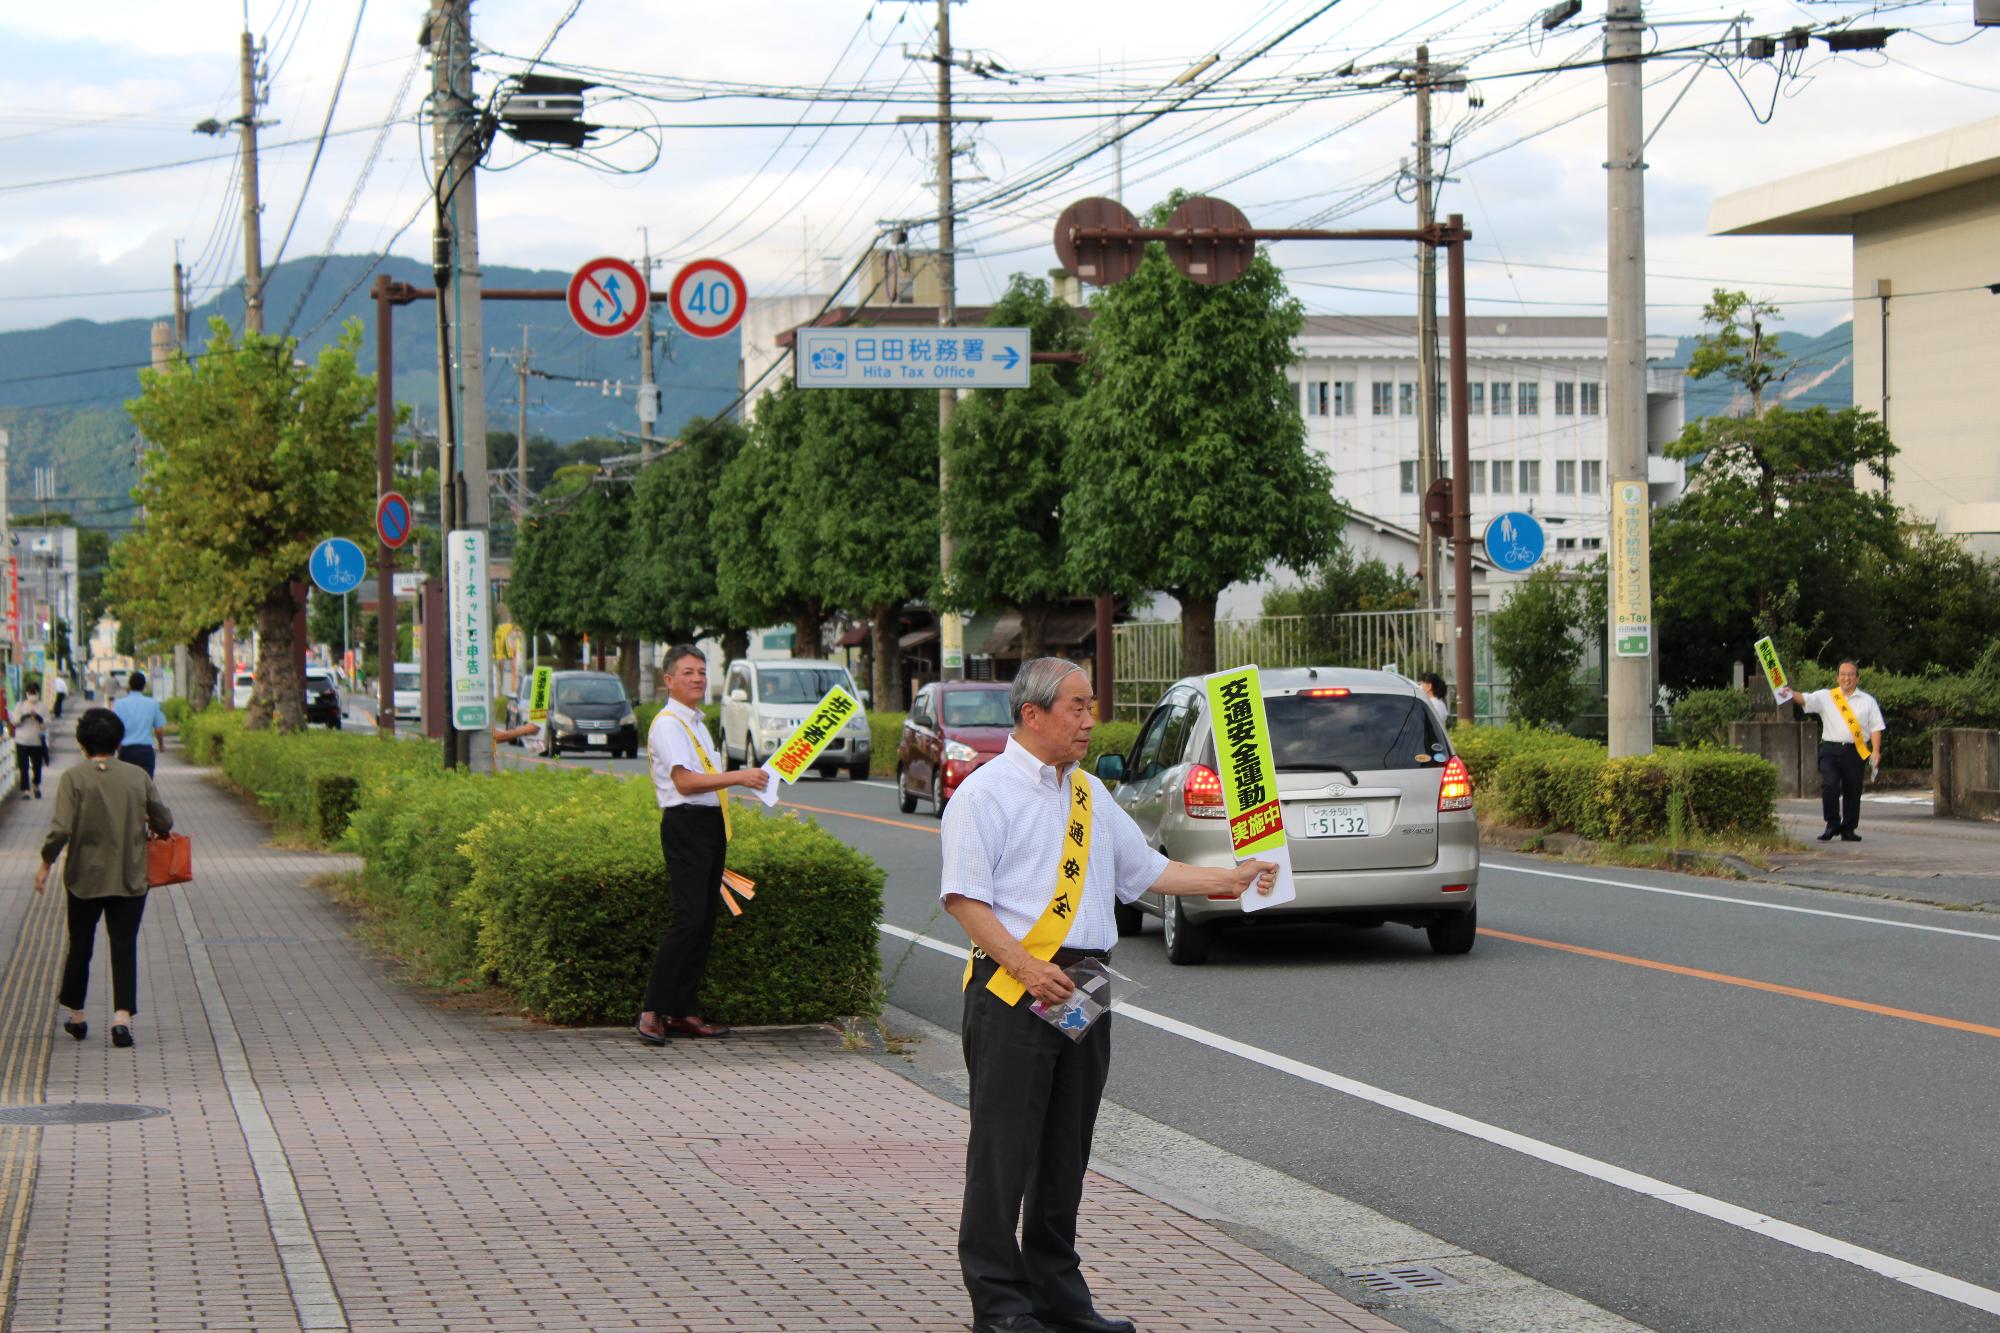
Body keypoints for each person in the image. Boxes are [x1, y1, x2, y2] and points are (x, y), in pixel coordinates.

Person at [942, 658, 1275, 1333]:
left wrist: (1227, 879)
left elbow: (1147, 870)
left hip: (1086, 981)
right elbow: (964, 900)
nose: (1090, 719)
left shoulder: (1090, 792)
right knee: (1003, 1150)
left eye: (1091, 706)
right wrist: (1027, 966)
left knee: (1067, 1145)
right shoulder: (985, 793)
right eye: (1077, 706)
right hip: (1014, 983)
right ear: (1032, 713)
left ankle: (1058, 1294)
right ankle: (999, 1304)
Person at [634, 645, 769, 1045]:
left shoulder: (696, 722)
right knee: (688, 919)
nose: (697, 678)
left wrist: (747, 779)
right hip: (685, 824)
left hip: (709, 824)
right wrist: (739, 777)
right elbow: (685, 782)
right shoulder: (669, 724)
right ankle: (651, 1010)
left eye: (701, 671)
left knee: (704, 922)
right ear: (669, 680)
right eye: (688, 672)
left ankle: (682, 1011)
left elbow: (704, 778)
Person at [39, 706, 174, 1049]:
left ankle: (78, 1015)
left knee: (80, 944)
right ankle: (121, 1019)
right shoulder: (136, 776)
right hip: (130, 875)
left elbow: (60, 829)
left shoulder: (73, 778)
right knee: (124, 945)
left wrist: (46, 862)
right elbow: (163, 820)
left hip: (84, 877)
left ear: (82, 743)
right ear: (119, 741)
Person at [1794, 659, 1885, 843]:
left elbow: (1876, 727)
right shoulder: (1826, 696)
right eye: (1843, 674)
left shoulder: (1868, 701)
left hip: (1855, 751)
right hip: (1830, 749)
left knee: (1853, 790)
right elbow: (1803, 698)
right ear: (1837, 678)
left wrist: (1875, 750)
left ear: (1857, 678)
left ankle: (1849, 828)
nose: (1847, 678)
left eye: (1851, 674)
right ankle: (1832, 824)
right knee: (1830, 785)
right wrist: (1785, 692)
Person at [111, 670, 169, 777]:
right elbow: (158, 729)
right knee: (146, 784)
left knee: (127, 785)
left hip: (126, 750)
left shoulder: (119, 704)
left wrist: (117, 748)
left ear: (129, 686)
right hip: (145, 751)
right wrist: (161, 746)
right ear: (143, 686)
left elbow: (114, 729)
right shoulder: (153, 703)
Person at [11, 682, 47, 798]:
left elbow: (46, 724)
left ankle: (36, 785)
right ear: (27, 693)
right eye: (30, 692)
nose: (32, 695)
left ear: (38, 693)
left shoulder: (43, 706)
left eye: (34, 693)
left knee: (37, 765)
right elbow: (15, 722)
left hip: (36, 741)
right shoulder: (20, 705)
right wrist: (24, 717)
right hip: (21, 740)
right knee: (23, 766)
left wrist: (38, 718)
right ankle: (25, 790)